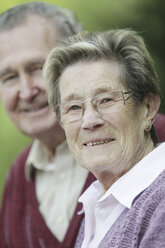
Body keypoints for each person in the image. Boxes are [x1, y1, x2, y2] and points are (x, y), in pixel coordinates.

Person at [44, 29, 165, 247]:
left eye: (106, 100)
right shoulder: (97, 204)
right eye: (73, 107)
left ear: (147, 108)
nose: (89, 121)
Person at [0, 2, 95, 247]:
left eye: (38, 68)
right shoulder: (17, 176)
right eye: (9, 77)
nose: (26, 91)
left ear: (80, 59)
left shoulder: (153, 142)